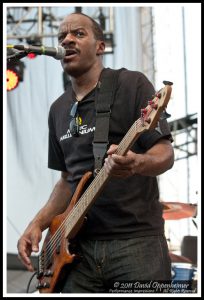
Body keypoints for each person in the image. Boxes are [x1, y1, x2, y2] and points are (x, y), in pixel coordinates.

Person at [17, 12, 174, 293]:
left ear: (100, 46)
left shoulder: (132, 85)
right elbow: (68, 180)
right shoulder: (58, 109)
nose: (67, 39)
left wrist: (137, 163)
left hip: (136, 244)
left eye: (78, 34)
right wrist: (37, 223)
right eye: (61, 36)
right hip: (76, 249)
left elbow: (165, 152)